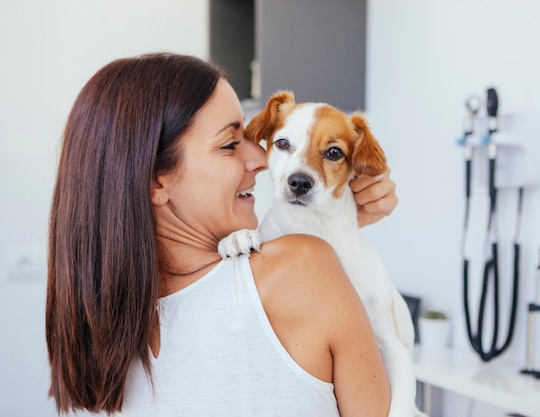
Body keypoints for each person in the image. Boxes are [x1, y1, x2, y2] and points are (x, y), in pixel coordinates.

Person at [46, 53, 398, 416]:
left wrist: (341, 217)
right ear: (156, 180)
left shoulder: (97, 329)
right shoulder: (304, 265)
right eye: (230, 144)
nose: (260, 160)